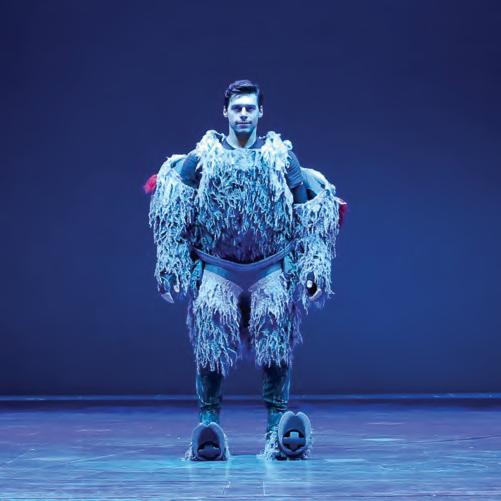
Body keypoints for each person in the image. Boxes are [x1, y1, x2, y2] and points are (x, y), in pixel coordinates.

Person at [145, 79, 346, 460]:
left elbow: (307, 212)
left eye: (249, 108)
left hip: (270, 268)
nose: (242, 115)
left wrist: (313, 267)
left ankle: (277, 431)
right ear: (225, 112)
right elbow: (174, 211)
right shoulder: (201, 159)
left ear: (260, 112)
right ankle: (208, 428)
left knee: (275, 345)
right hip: (218, 269)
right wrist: (170, 265)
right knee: (211, 344)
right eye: (236, 108)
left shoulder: (281, 159)